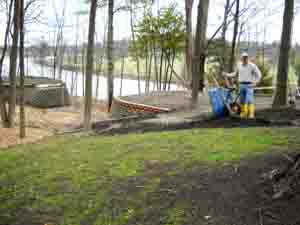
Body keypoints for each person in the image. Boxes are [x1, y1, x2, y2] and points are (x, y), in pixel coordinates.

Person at [223, 53, 262, 119]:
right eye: (243, 57)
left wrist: (255, 83)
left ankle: (251, 114)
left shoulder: (252, 66)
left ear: (248, 58)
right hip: (241, 85)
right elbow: (235, 74)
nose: (245, 59)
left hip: (249, 85)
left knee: (250, 100)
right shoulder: (239, 65)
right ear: (241, 58)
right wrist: (226, 74)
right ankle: (244, 113)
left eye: (246, 57)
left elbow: (259, 74)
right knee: (242, 100)